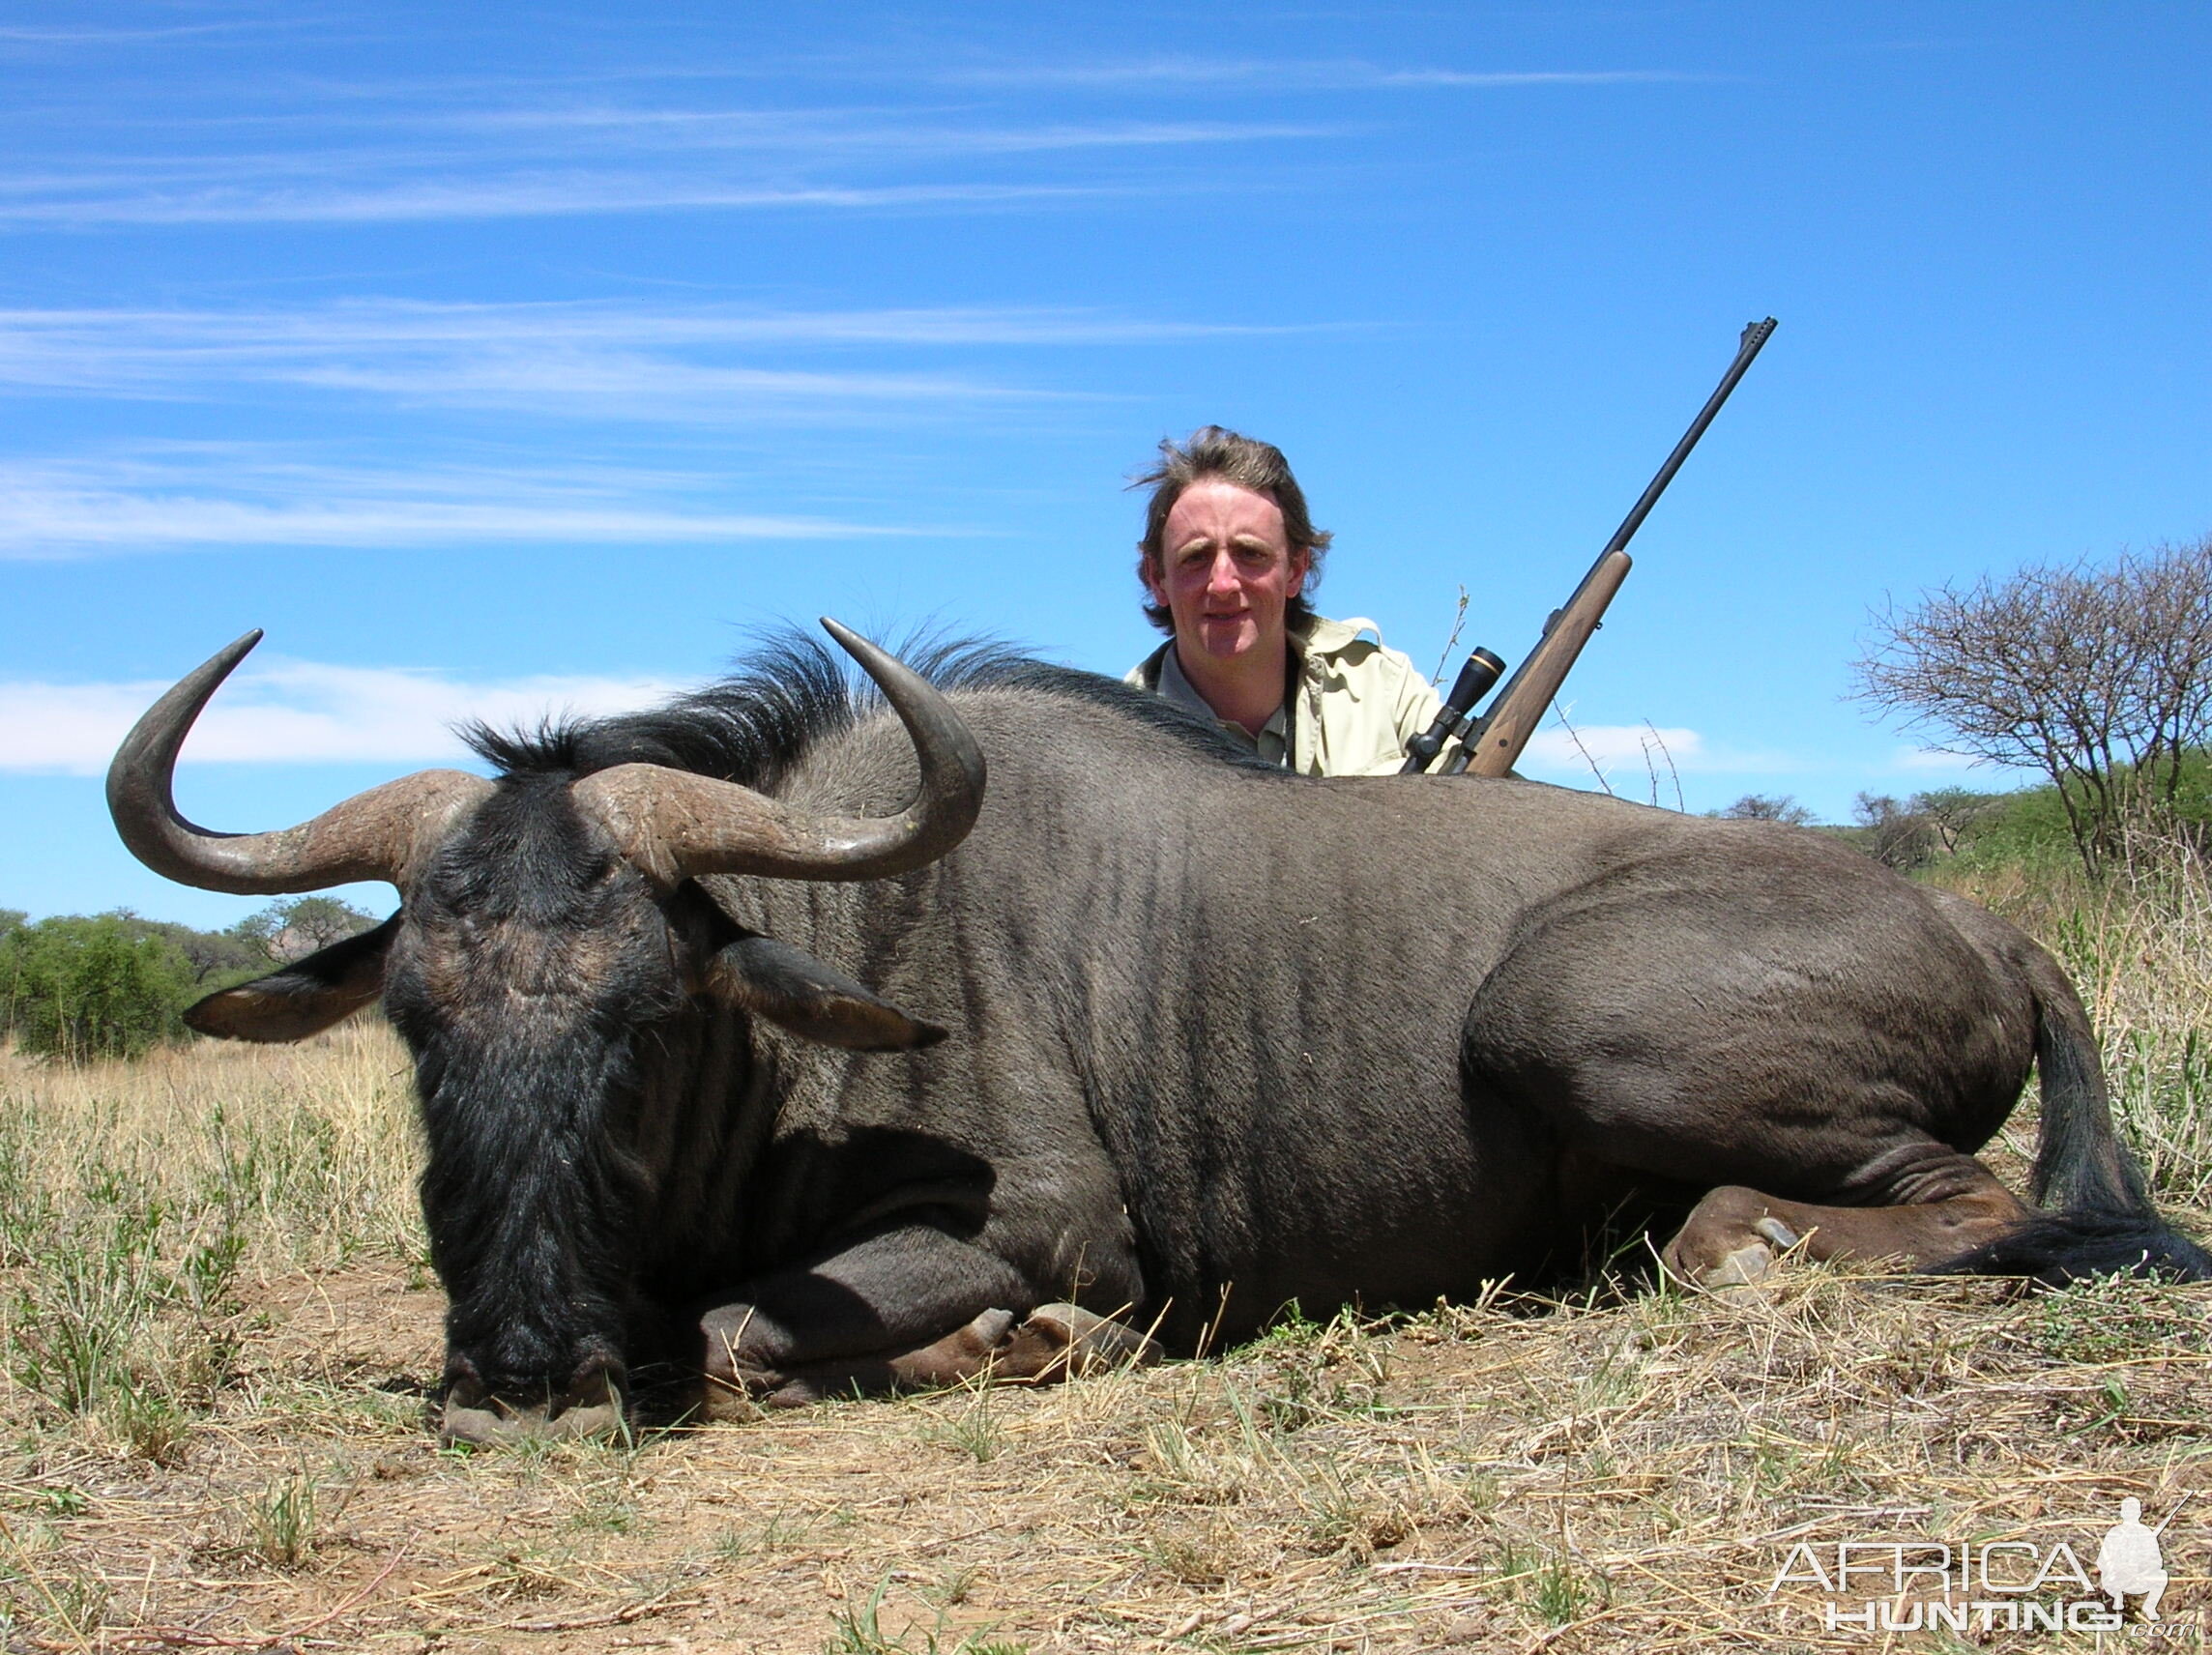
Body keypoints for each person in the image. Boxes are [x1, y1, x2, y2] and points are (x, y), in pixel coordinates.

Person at [1124, 426, 1444, 777]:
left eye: (1250, 553)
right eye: (1196, 557)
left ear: (1295, 569)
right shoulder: (1115, 736)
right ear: (1156, 578)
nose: (1223, 584)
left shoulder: (1385, 690)